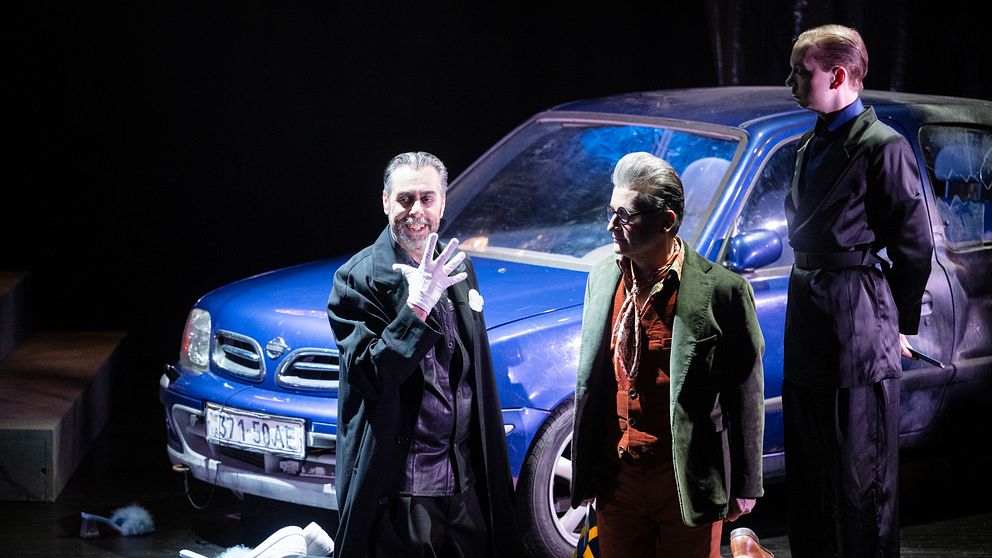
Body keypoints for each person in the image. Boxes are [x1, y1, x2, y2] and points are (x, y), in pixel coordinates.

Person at [783, 24, 933, 557]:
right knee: (811, 471)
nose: (791, 82)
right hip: (809, 316)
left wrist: (897, 325)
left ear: (838, 75)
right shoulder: (809, 145)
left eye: (801, 72)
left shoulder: (882, 148)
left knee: (859, 474)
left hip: (857, 322)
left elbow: (914, 247)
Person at [327, 152, 522, 558]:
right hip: (404, 494)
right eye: (405, 199)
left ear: (443, 202)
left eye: (427, 198)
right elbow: (371, 376)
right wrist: (415, 310)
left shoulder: (457, 267)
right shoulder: (357, 279)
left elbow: (470, 375)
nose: (416, 211)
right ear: (386, 201)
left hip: (464, 484)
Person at [570, 152, 766, 558]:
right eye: (610, 212)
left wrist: (746, 484)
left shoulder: (723, 291)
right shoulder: (602, 278)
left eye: (624, 216)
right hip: (617, 482)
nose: (611, 225)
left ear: (667, 221)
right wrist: (586, 470)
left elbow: (746, 395)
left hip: (686, 483)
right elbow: (593, 382)